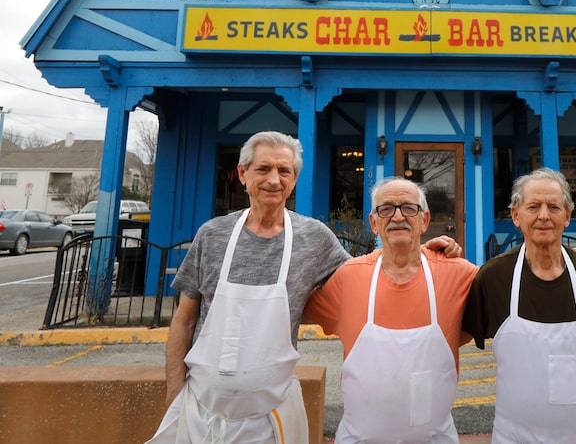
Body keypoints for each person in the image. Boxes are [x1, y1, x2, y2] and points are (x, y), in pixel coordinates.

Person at [148, 132, 460, 443]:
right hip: (199, 411)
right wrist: (174, 397)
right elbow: (184, 321)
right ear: (243, 174)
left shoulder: (314, 238)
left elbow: (367, 275)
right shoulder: (212, 235)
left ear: (294, 178)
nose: (274, 179)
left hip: (273, 418)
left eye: (284, 171)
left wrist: (415, 249)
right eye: (263, 169)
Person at [304, 176, 479, 443]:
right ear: (374, 223)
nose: (398, 216)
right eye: (386, 209)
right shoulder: (347, 278)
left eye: (409, 208)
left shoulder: (459, 274)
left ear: (425, 220)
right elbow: (293, 306)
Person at [462, 168, 576, 444]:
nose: (543, 215)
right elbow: (448, 340)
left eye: (554, 206)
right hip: (511, 438)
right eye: (533, 206)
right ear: (515, 215)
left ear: (567, 216)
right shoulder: (493, 278)